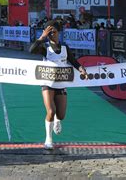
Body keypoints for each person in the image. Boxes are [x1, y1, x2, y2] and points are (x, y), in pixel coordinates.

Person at [29, 20, 88, 149]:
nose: (52, 35)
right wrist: (41, 37)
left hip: (61, 85)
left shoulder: (65, 48)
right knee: (51, 111)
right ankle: (48, 139)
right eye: (49, 33)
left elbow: (74, 61)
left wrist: (82, 70)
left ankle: (57, 120)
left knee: (61, 115)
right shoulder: (45, 47)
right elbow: (31, 50)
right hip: (47, 84)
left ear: (59, 32)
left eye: (54, 32)